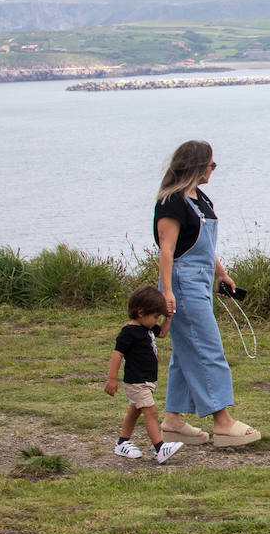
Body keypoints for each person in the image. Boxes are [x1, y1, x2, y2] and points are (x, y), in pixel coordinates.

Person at [153, 140, 260, 447]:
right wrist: (169, 292)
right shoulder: (171, 202)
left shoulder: (201, 199)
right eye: (211, 165)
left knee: (186, 351)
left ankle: (172, 421)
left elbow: (203, 247)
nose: (214, 170)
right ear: (197, 165)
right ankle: (222, 422)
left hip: (200, 282)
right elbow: (167, 250)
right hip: (183, 284)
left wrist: (221, 274)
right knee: (207, 348)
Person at [104, 285, 183, 464]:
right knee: (151, 412)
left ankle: (122, 442)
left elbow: (162, 333)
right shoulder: (128, 333)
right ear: (140, 312)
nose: (157, 320)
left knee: (134, 411)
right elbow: (117, 355)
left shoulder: (147, 328)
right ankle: (159, 447)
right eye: (155, 316)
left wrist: (168, 317)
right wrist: (112, 379)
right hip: (136, 382)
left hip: (146, 381)